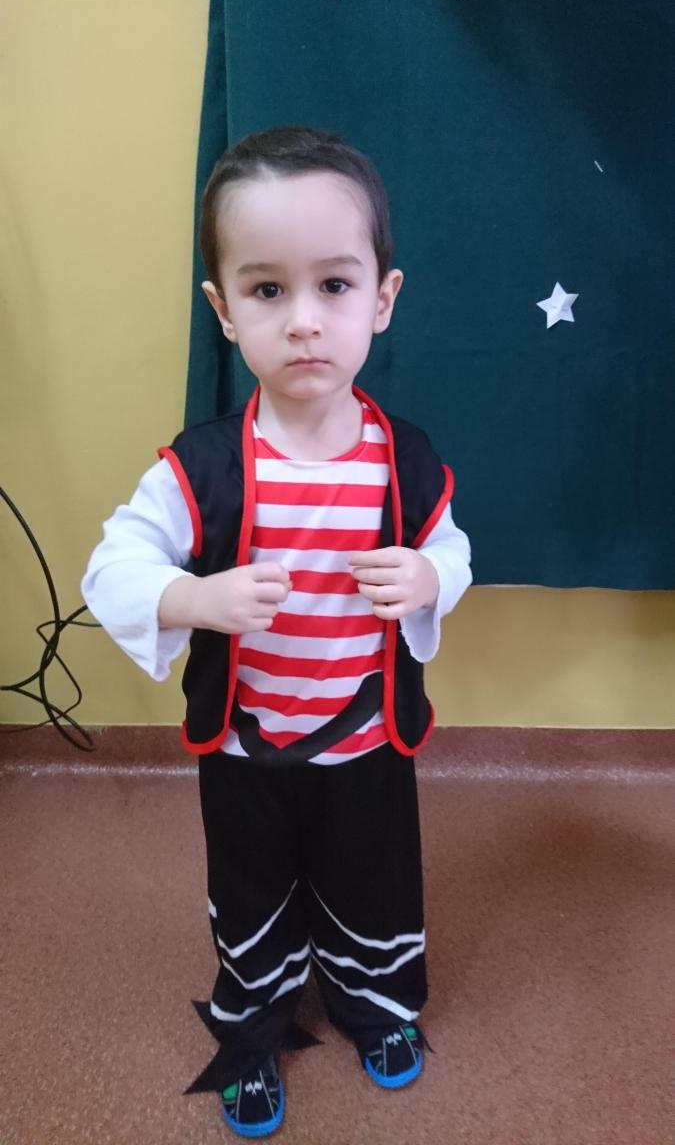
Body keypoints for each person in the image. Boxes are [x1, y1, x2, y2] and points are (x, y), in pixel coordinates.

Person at [82, 126, 472, 1139]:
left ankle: (375, 1004)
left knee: (373, 884)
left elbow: (454, 548)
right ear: (223, 311)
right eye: (266, 290)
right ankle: (253, 1031)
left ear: (382, 298)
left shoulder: (404, 460)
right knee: (250, 890)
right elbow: (112, 569)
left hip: (365, 741)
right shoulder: (199, 467)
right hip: (248, 748)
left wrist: (430, 574)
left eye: (334, 285)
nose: (304, 322)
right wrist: (192, 598)